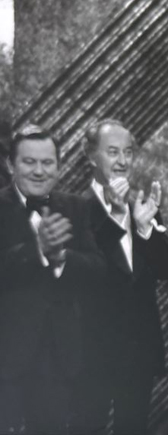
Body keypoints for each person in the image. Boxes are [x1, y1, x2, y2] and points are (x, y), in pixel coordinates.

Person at [72, 119, 168, 435]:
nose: (122, 161)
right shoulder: (74, 210)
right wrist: (118, 218)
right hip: (90, 352)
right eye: (113, 152)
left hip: (138, 351)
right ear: (91, 156)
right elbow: (87, 277)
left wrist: (145, 230)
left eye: (128, 152)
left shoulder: (142, 206)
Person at [0, 125, 104, 435]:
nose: (39, 171)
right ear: (10, 165)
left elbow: (98, 270)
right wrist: (37, 251)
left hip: (59, 360)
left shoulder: (76, 207)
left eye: (47, 162)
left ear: (59, 167)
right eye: (29, 162)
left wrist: (61, 257)